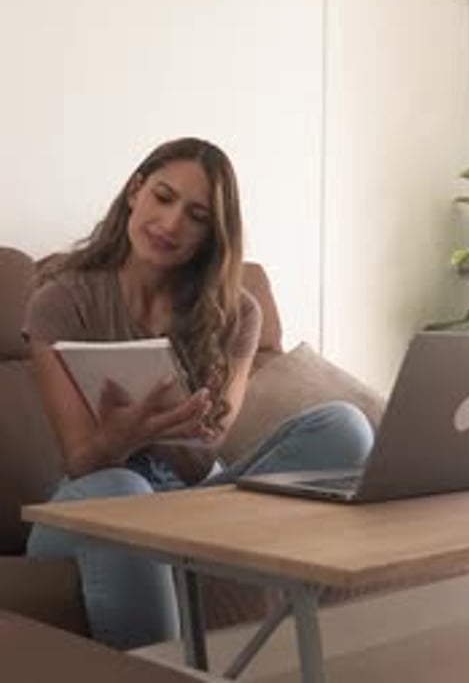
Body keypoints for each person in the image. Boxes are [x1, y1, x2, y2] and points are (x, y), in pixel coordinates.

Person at [23, 136, 373, 650]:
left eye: (197, 216)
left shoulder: (237, 312)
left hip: (196, 505)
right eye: (163, 197)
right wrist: (124, 437)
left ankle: (224, 569)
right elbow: (81, 461)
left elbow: (199, 463)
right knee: (125, 489)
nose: (170, 224)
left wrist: (166, 431)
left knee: (345, 426)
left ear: (213, 233)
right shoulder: (60, 300)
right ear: (135, 191)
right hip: (90, 503)